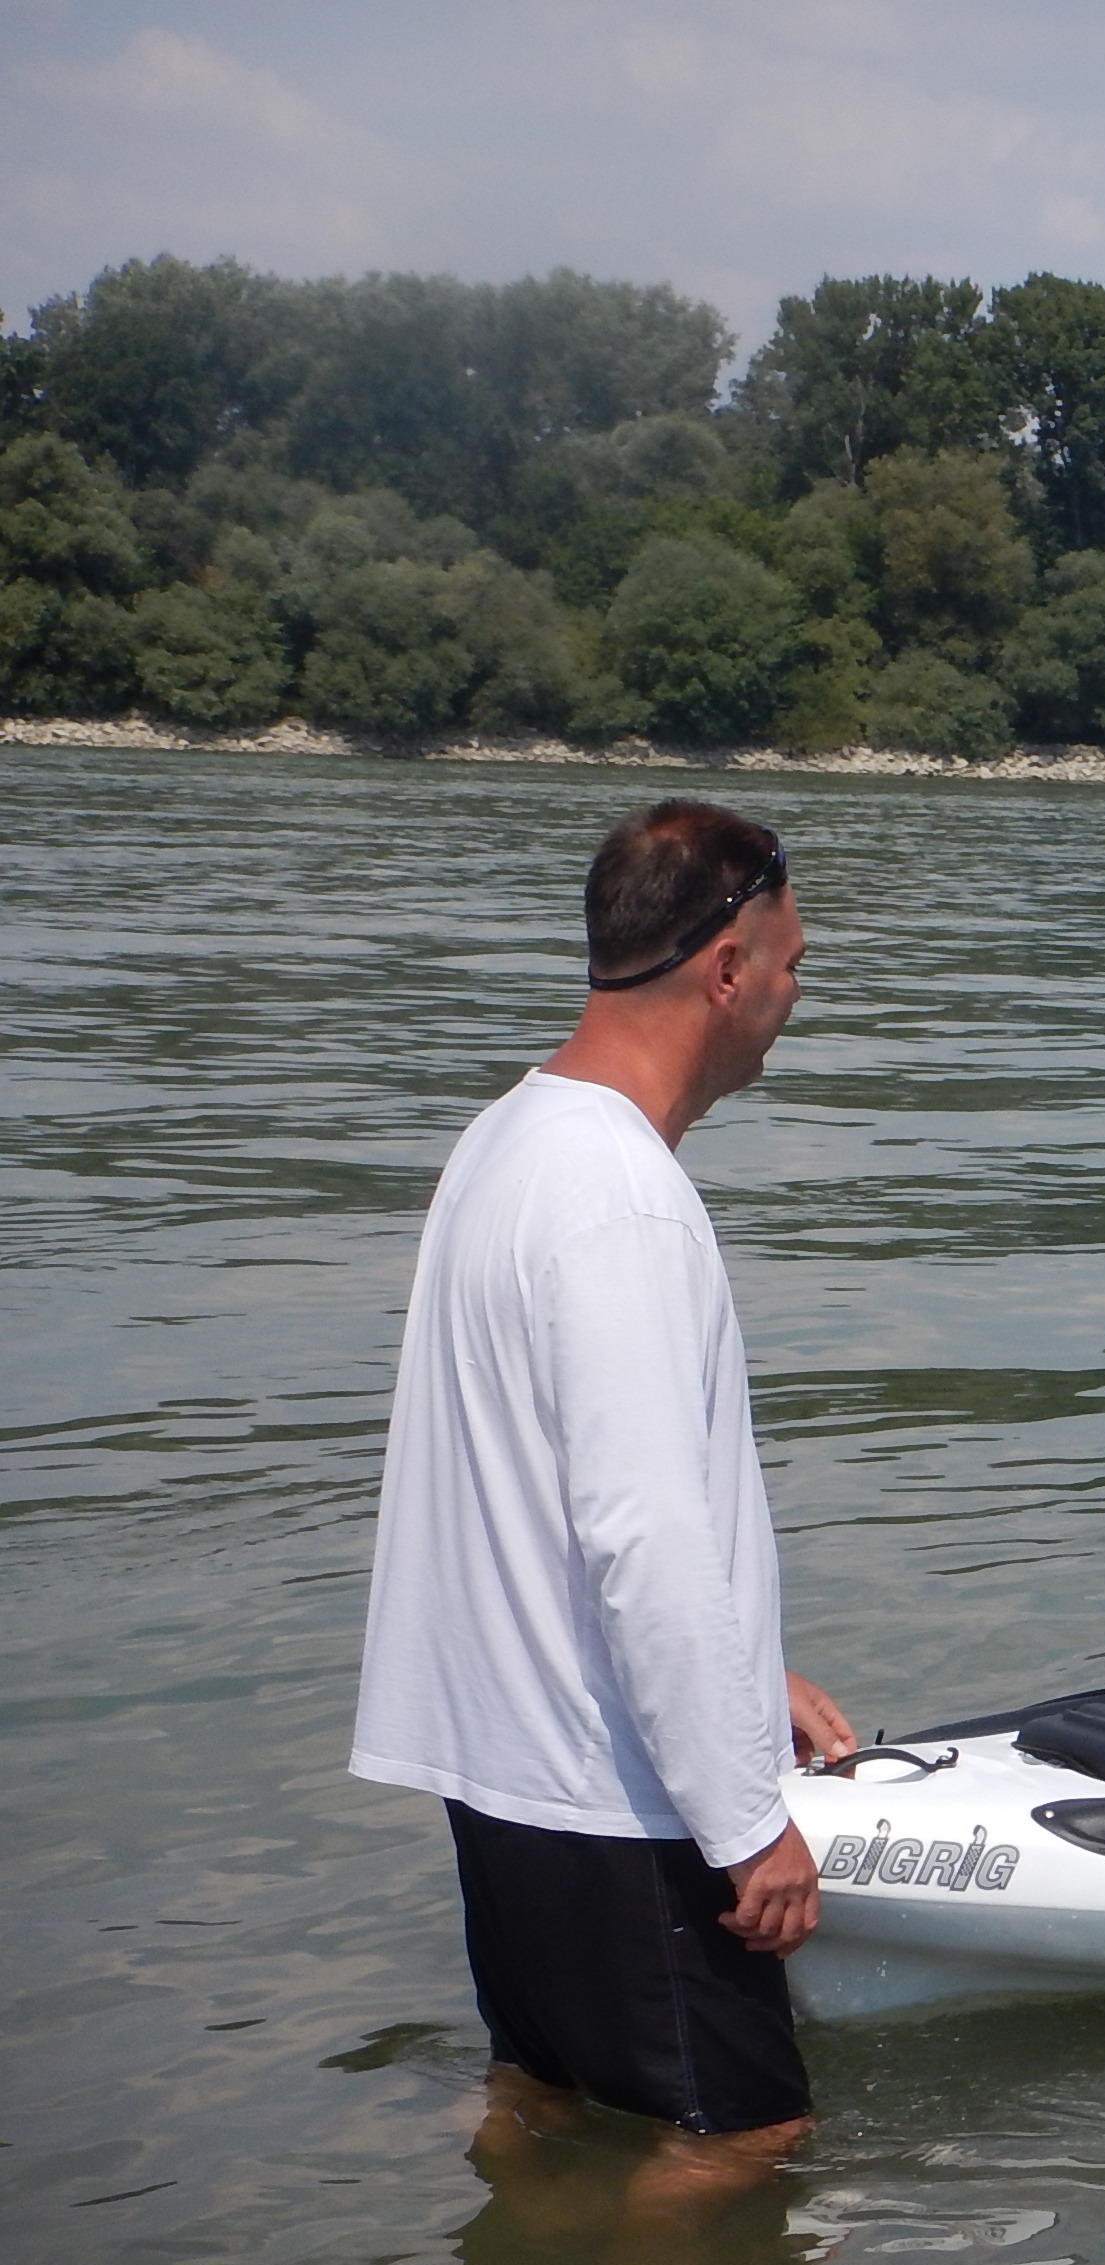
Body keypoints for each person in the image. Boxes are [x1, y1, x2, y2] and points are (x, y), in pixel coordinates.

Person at [352, 798, 854, 2190]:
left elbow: (536, 1488)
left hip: (500, 1771)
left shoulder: (508, 1140)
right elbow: (637, 1529)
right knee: (746, 2140)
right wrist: (748, 1825)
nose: (797, 997)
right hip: (613, 1800)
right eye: (797, 965)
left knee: (544, 2096)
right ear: (730, 970)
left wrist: (747, 1665)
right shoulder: (625, 1199)